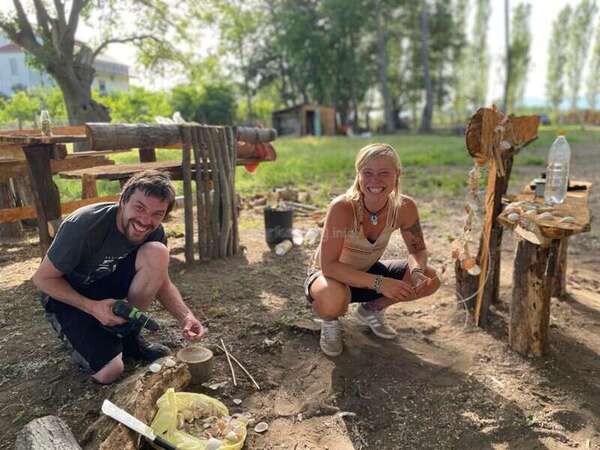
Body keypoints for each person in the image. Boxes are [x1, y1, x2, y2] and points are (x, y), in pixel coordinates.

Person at [32, 170, 205, 384]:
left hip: (106, 282)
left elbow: (162, 282)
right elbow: (42, 279)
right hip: (68, 293)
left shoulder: (155, 232)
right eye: (139, 208)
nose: (145, 220)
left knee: (157, 252)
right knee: (110, 372)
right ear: (123, 200)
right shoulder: (85, 225)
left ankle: (129, 336)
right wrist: (92, 307)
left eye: (156, 214)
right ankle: (84, 333)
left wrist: (186, 316)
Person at [304, 143, 441, 356]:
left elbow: (418, 250)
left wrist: (417, 272)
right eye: (367, 173)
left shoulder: (405, 208)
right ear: (358, 175)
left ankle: (371, 310)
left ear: (397, 174)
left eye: (384, 173)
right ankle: (329, 322)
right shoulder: (342, 208)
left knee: (431, 278)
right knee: (333, 300)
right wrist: (380, 282)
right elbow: (328, 266)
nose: (375, 181)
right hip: (329, 277)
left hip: (366, 272)